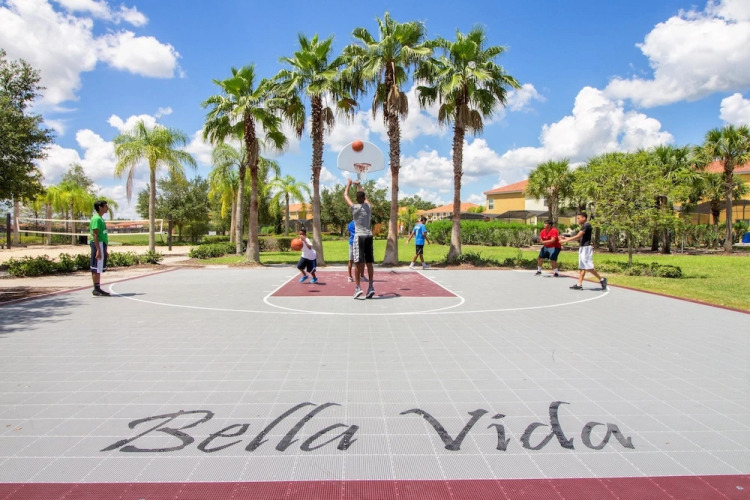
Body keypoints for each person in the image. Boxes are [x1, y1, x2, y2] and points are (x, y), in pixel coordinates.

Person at [559, 212, 607, 290]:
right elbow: (579, 238)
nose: (577, 220)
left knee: (588, 267)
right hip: (582, 248)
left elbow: (578, 236)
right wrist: (565, 238)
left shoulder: (586, 225)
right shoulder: (584, 226)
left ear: (584, 218)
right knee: (582, 267)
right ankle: (579, 284)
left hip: (586, 249)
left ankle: (602, 279)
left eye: (578, 218)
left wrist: (566, 240)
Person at [344, 178, 375, 299]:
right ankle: (371, 287)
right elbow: (365, 197)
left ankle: (358, 287)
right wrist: (359, 185)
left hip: (360, 237)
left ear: (357, 199)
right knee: (369, 263)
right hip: (369, 236)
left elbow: (346, 195)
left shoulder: (355, 208)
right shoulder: (368, 207)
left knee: (357, 263)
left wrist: (348, 185)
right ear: (364, 198)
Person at [89, 200, 111, 296]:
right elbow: (95, 235)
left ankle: (97, 288)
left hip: (102, 244)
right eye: (105, 206)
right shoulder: (96, 219)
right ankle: (96, 289)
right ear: (100, 207)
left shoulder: (100, 219)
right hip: (98, 244)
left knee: (99, 267)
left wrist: (104, 250)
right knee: (96, 267)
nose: (107, 208)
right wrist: (98, 249)